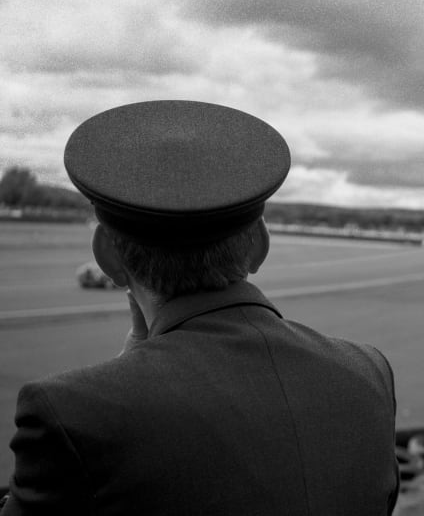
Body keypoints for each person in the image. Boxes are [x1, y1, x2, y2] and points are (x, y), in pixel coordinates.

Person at [0, 101, 399, 515]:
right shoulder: (367, 370)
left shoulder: (72, 412)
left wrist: (127, 375)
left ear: (107, 256)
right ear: (259, 246)